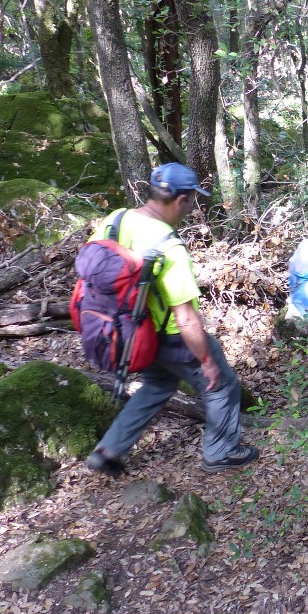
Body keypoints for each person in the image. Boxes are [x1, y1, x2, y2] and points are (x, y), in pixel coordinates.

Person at [85, 163, 259, 476]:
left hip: (129, 332)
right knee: (222, 385)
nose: (191, 208)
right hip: (169, 336)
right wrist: (205, 358)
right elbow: (186, 318)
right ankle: (222, 451)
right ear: (180, 200)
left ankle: (108, 449)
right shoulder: (169, 245)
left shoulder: (116, 219)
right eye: (192, 200)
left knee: (157, 383)